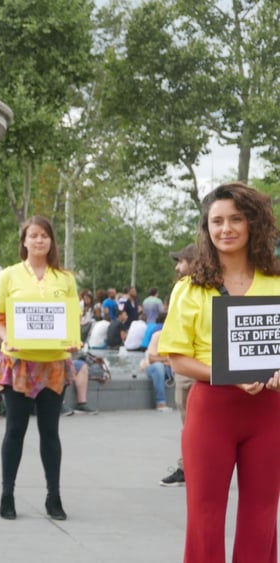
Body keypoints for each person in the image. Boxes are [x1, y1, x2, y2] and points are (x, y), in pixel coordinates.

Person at [160, 182, 280, 561]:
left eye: (236, 219)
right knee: (205, 516)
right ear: (207, 228)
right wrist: (225, 374)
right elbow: (177, 358)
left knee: (262, 516)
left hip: (270, 410)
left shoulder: (277, 282)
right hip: (211, 410)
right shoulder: (190, 288)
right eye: (217, 221)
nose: (226, 228)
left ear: (253, 223)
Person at [0, 216, 79, 521]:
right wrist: (8, 338)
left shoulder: (64, 278)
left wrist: (73, 341)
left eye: (44, 235)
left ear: (51, 241)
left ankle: (54, 496)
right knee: (15, 429)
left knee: (50, 431)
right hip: (19, 363)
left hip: (53, 363)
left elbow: (72, 319)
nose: (39, 240)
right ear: (24, 241)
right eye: (33, 235)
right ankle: (7, 495)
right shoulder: (8, 275)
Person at [160, 243, 197, 487]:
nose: (177, 267)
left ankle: (188, 468)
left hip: (189, 366)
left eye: (182, 261)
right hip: (194, 363)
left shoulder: (186, 289)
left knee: (190, 425)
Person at [144, 324, 172, 412]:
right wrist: (168, 359)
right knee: (158, 367)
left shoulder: (182, 337)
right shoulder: (157, 335)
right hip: (155, 367)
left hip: (171, 367)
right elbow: (151, 359)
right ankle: (161, 403)